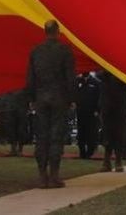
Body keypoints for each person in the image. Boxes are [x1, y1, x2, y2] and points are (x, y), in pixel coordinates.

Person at [25, 19, 77, 189]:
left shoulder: (36, 51)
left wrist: (31, 99)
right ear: (58, 31)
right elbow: (70, 78)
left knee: (41, 136)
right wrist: (71, 99)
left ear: (45, 32)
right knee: (56, 136)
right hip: (59, 98)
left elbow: (30, 79)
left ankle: (42, 176)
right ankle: (54, 176)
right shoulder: (64, 51)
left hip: (40, 97)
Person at [99, 70, 126, 172]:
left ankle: (118, 160)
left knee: (119, 134)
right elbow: (98, 75)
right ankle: (106, 160)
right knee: (107, 134)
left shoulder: (124, 75)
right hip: (107, 107)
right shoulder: (105, 74)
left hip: (120, 107)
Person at [76, 72, 101, 159]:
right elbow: (75, 94)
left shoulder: (95, 82)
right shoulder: (78, 81)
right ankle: (82, 152)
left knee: (91, 133)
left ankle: (90, 152)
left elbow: (99, 97)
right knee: (81, 133)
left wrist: (97, 110)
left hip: (92, 112)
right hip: (80, 111)